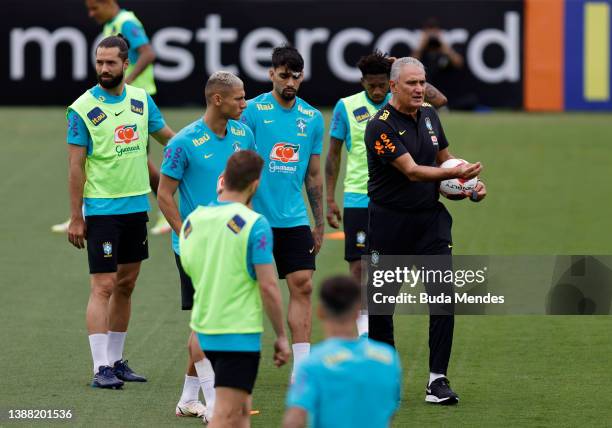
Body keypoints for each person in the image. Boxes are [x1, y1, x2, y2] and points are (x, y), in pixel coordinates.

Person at [364, 57, 486, 405]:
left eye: (422, 82)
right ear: (393, 87)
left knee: (443, 300)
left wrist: (470, 184)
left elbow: (445, 160)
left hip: (430, 222)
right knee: (382, 306)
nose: (419, 89)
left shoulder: (431, 116)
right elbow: (414, 171)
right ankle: (384, 379)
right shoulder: (380, 126)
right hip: (390, 224)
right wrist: (454, 175)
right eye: (412, 83)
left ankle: (437, 381)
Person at [66, 35, 174, 389]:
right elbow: (75, 167)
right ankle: (100, 368)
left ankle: (116, 360)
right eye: (99, 62)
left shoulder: (143, 102)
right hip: (101, 211)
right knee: (104, 285)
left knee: (126, 285)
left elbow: (170, 141)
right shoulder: (82, 109)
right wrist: (77, 216)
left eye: (111, 62)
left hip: (135, 208)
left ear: (126, 65)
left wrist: (207, 147)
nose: (104, 69)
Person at [325, 50, 447, 336]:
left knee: (384, 269)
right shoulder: (347, 106)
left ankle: (374, 323)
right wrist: (330, 198)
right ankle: (362, 326)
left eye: (383, 84)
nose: (377, 90)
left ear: (390, 82)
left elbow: (440, 101)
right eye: (371, 85)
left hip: (397, 197)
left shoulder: (404, 103)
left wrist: (401, 69)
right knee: (357, 266)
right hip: (358, 196)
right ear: (362, 82)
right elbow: (333, 155)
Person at [157, 71, 255, 420]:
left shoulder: (243, 134)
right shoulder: (183, 143)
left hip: (232, 244)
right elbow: (164, 195)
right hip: (196, 248)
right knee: (209, 324)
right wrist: (185, 234)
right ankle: (215, 403)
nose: (245, 104)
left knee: (211, 321)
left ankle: (188, 399)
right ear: (217, 99)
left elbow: (248, 188)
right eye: (239, 98)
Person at [179, 150, 290, 428]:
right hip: (237, 334)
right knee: (225, 416)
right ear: (254, 184)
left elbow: (190, 268)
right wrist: (280, 335)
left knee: (241, 414)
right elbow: (268, 285)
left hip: (204, 330)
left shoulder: (192, 221)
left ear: (223, 179)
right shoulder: (255, 224)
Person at [241, 45, 325, 382]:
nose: (290, 81)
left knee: (302, 285)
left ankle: (301, 369)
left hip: (293, 219)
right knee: (246, 292)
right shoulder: (252, 112)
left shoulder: (312, 118)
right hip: (253, 219)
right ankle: (235, 364)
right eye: (284, 74)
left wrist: (319, 223)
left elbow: (314, 175)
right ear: (271, 73)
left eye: (296, 75)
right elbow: (236, 163)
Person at [53, 0, 171, 234]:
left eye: (94, 8)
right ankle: (85, 211)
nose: (91, 14)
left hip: (134, 103)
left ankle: (166, 211)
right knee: (126, 159)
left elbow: (148, 53)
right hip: (120, 101)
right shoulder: (113, 24)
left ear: (108, 3)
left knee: (137, 161)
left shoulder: (126, 23)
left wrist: (127, 83)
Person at [283, 276, 401, 428]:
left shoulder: (312, 363)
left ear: (320, 311)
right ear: (358, 313)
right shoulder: (388, 358)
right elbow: (389, 411)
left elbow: (295, 419)